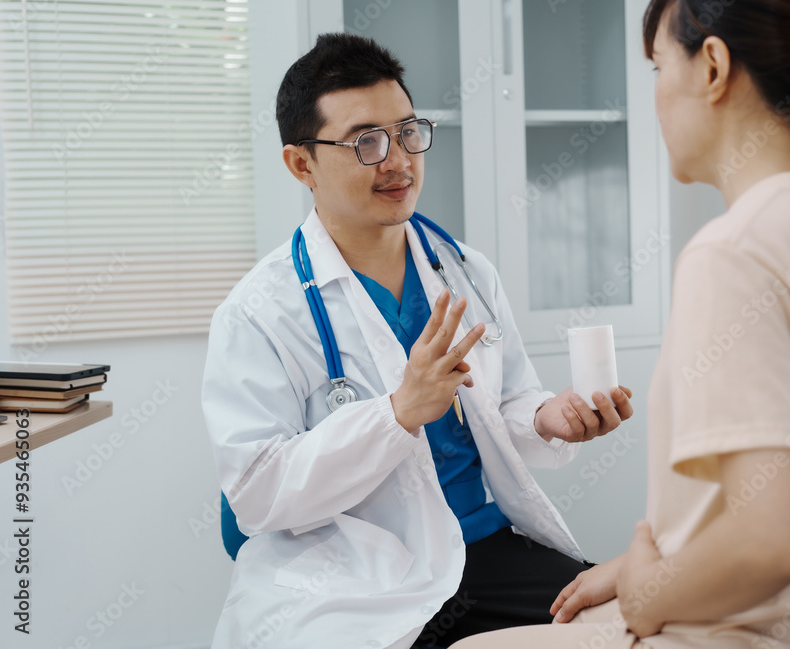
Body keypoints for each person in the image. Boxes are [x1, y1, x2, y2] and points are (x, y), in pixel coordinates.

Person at [453, 0, 790, 648]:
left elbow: (776, 537)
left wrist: (650, 591)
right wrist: (632, 571)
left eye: (659, 67)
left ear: (712, 67)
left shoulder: (737, 253)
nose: (655, 94)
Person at [201, 33, 634, 649]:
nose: (399, 160)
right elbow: (257, 494)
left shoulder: (464, 271)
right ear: (302, 164)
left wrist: (548, 418)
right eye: (366, 142)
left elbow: (504, 403)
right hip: (349, 575)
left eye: (407, 132)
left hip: (478, 548)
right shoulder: (258, 313)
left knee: (636, 627)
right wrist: (398, 413)